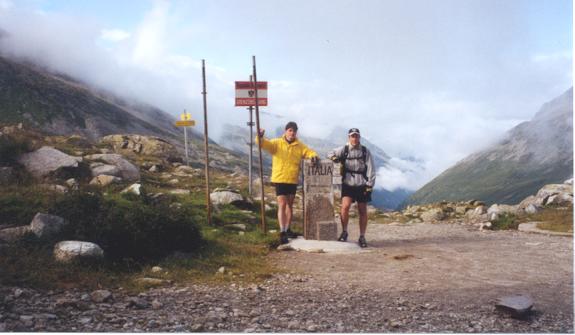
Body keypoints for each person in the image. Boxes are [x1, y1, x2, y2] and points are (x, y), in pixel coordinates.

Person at [256, 121, 319, 244]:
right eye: (290, 130)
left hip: (292, 179)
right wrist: (259, 136)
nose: (292, 133)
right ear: (285, 131)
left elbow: (308, 152)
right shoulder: (276, 143)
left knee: (289, 205)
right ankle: (282, 231)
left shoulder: (299, 145)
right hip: (280, 178)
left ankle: (288, 229)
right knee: (282, 204)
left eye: (294, 131)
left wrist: (314, 156)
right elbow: (263, 144)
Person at [327, 128, 376, 248]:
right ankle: (344, 232)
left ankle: (362, 236)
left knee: (362, 210)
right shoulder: (344, 149)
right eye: (352, 136)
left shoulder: (365, 151)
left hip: (361, 183)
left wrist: (370, 184)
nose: (354, 138)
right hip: (347, 183)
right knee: (345, 207)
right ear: (349, 137)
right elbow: (329, 153)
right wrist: (334, 158)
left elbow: (371, 168)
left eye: (356, 136)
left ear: (359, 137)